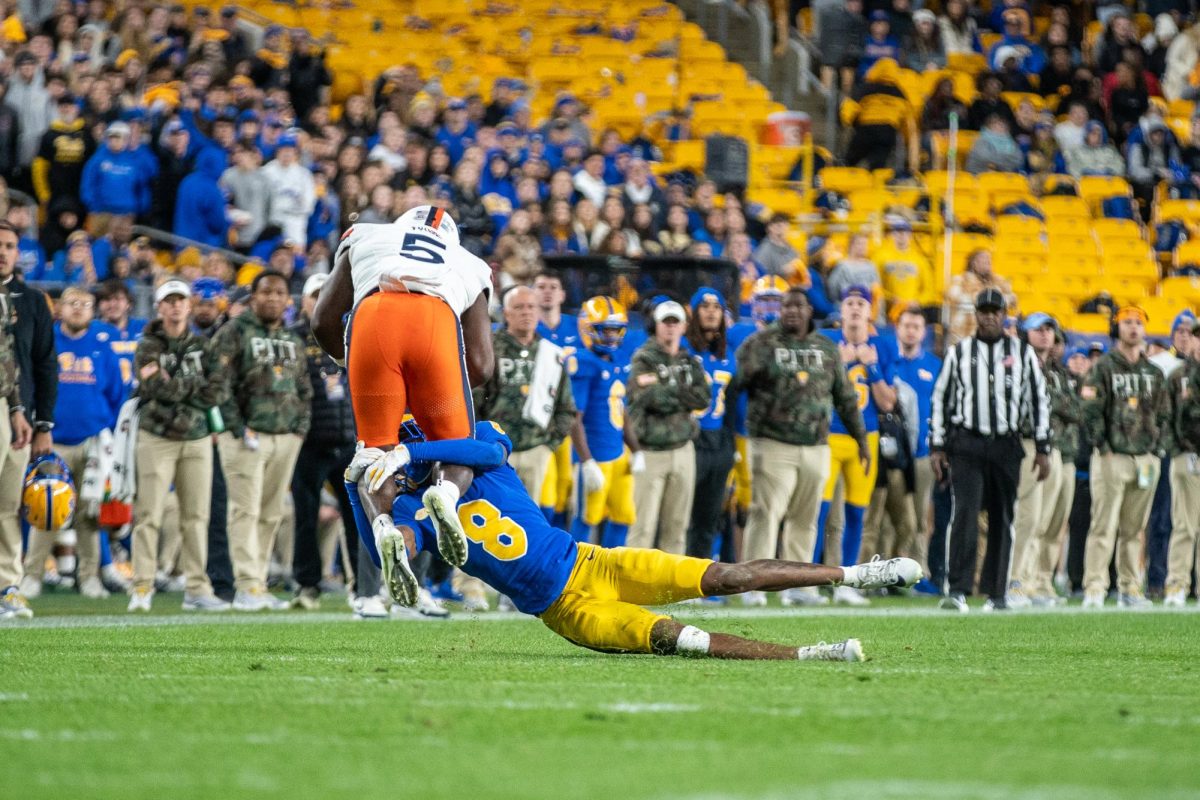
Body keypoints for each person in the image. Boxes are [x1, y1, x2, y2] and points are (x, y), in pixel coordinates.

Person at [349, 418, 922, 660]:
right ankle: (807, 655)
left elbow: (487, 451)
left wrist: (412, 454)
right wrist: (363, 494)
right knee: (686, 639)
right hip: (566, 611)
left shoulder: (478, 451)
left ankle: (858, 572)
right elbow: (399, 541)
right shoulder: (417, 507)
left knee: (729, 576)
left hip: (595, 563)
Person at [311, 205, 494, 572]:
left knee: (375, 454)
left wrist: (354, 363)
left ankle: (383, 527)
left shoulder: (365, 234)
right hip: (433, 321)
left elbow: (322, 321)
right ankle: (445, 494)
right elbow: (481, 364)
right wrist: (428, 388)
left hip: (372, 320)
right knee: (457, 447)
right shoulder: (468, 261)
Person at [728, 287, 867, 607]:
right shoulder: (760, 343)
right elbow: (736, 387)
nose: (791, 311)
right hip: (772, 443)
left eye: (798, 306)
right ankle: (753, 583)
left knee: (805, 520)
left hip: (817, 445)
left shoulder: (825, 347)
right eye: (786, 306)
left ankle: (799, 587)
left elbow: (845, 397)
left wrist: (861, 439)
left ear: (809, 311)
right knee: (766, 514)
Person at [931, 288, 1050, 612]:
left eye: (995, 311)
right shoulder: (960, 352)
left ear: (1004, 315)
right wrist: (938, 446)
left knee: (1003, 516)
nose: (990, 316)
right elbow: (941, 397)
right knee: (965, 513)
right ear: (976, 315)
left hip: (1006, 443)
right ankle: (957, 589)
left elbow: (1039, 398)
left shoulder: (1022, 353)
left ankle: (997, 593)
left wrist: (1043, 446)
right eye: (984, 311)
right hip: (967, 442)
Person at [210, 270, 312, 612]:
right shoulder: (234, 332)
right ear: (253, 297)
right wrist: (237, 428)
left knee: (271, 514)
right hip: (246, 437)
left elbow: (304, 388)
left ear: (287, 300)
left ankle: (259, 581)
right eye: (265, 292)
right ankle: (246, 584)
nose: (272, 298)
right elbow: (218, 384)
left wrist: (300, 427)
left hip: (286, 437)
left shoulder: (292, 339)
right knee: (245, 510)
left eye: (279, 292)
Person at [127, 280, 227, 613]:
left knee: (196, 515)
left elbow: (217, 390)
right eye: (168, 301)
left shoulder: (203, 343)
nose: (175, 306)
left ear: (189, 305)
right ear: (159, 307)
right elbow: (154, 387)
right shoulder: (147, 344)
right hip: (156, 437)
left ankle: (197, 586)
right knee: (148, 514)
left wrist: (176, 386)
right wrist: (192, 387)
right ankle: (142, 584)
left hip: (197, 437)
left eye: (180, 300)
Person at [22, 286, 124, 600]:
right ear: (60, 308)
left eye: (85, 304)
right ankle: (32, 575)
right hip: (53, 440)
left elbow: (116, 395)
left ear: (93, 310)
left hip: (93, 441)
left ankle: (89, 577)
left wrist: (107, 436)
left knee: (89, 514)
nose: (78, 309)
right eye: (72, 303)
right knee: (46, 510)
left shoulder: (103, 345)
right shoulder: (47, 340)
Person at [288, 273, 373, 613]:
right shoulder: (292, 339)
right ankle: (307, 585)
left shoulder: (355, 335)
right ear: (305, 301)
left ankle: (360, 586)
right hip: (309, 440)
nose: (322, 298)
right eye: (315, 294)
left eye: (328, 292)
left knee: (358, 517)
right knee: (306, 516)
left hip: (349, 440)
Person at [1080, 306, 1170, 609]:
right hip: (1112, 457)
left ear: (1145, 330)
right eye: (1127, 322)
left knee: (1134, 530)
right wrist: (1102, 447)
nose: (1133, 327)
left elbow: (1165, 415)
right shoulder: (1104, 367)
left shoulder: (1154, 372)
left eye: (1138, 323)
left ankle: (1131, 588)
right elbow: (1089, 409)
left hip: (1145, 459)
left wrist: (1157, 452)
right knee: (1103, 526)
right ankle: (1095, 586)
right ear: (1116, 328)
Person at [816, 286, 897, 606]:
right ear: (842, 309)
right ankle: (806, 581)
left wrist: (871, 366)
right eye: (848, 302)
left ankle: (847, 584)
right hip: (830, 435)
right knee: (818, 511)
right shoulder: (827, 342)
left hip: (866, 438)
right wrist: (841, 364)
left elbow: (888, 402)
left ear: (869, 312)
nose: (853, 308)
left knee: (856, 512)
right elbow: (812, 390)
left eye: (860, 303)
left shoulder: (882, 346)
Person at [626, 300, 710, 554]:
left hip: (684, 449)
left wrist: (667, 389)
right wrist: (682, 394)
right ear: (656, 325)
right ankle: (634, 588)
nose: (671, 328)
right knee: (643, 526)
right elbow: (648, 398)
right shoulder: (643, 357)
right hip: (650, 451)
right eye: (666, 322)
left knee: (677, 525)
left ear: (684, 326)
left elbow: (704, 397)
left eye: (676, 322)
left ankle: (671, 591)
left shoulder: (689, 360)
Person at [1, 222, 54, 614]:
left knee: (7, 502)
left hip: (17, 412)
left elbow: (44, 364)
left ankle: (6, 585)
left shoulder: (33, 301)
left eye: (9, 245)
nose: (2, 251)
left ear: (18, 252)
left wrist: (42, 422)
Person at [1013, 319, 1082, 606]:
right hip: (1030, 445)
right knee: (1028, 518)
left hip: (1057, 450)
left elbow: (1076, 409)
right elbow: (1047, 405)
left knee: (1049, 522)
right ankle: (1016, 580)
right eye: (1038, 329)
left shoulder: (1058, 372)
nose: (1044, 334)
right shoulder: (1019, 365)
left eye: (1048, 330)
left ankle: (1039, 581)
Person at [567, 297, 635, 548]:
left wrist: (635, 449)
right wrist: (586, 461)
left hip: (618, 453)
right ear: (588, 328)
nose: (611, 337)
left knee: (624, 515)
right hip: (595, 455)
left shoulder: (617, 361)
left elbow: (620, 408)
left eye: (615, 330)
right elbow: (575, 418)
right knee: (587, 518)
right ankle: (572, 576)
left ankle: (611, 574)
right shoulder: (584, 362)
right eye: (605, 330)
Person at [886, 306, 940, 583]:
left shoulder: (933, 365)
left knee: (920, 517)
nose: (911, 331)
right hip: (892, 453)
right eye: (906, 325)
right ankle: (882, 572)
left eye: (916, 326)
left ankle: (918, 573)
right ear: (898, 327)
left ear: (923, 331)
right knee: (888, 517)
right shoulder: (887, 360)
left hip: (921, 452)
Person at [683, 288, 737, 562]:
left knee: (710, 515)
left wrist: (732, 444)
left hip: (718, 442)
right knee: (679, 514)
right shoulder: (680, 348)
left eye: (717, 306)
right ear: (693, 312)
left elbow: (735, 404)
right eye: (704, 306)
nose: (711, 311)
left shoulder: (729, 354)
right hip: (687, 439)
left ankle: (701, 580)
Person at [533, 271, 580, 526]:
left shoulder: (580, 328)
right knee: (544, 493)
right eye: (541, 286)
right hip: (540, 421)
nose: (547, 291)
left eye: (553, 286)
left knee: (566, 492)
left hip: (573, 421)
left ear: (562, 294)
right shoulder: (527, 328)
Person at [1165, 318, 1200, 607]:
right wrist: (1176, 449)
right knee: (1184, 524)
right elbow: (1165, 417)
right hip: (1184, 455)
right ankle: (1177, 582)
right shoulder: (1178, 375)